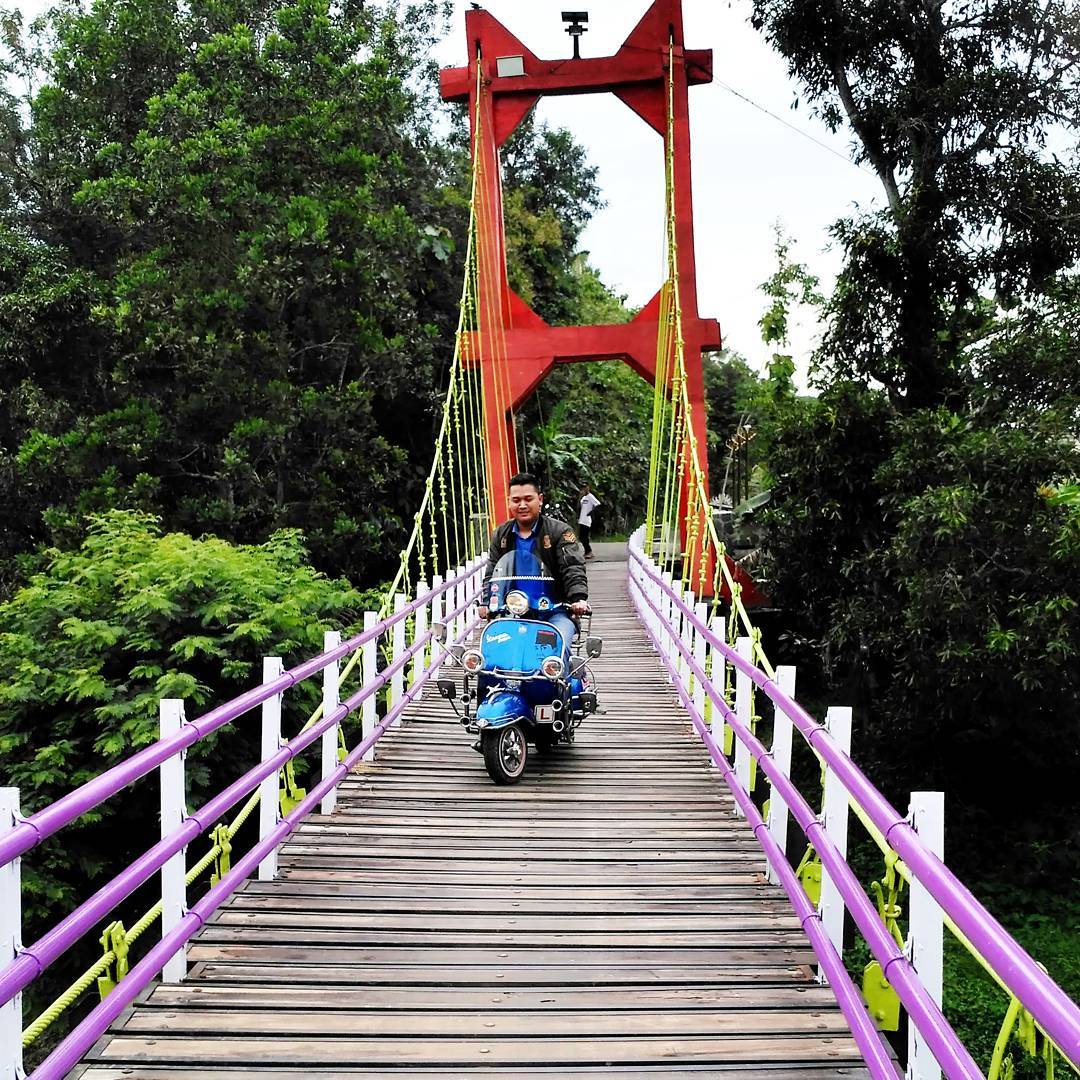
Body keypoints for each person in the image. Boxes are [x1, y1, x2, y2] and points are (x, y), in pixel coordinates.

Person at [479, 473, 590, 626]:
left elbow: (572, 567)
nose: (522, 505)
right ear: (509, 502)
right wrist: (486, 602)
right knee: (496, 644)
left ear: (540, 499)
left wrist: (578, 599)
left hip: (555, 610)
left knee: (558, 643)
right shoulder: (501, 534)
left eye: (528, 499)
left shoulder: (560, 532)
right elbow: (493, 571)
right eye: (516, 500)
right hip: (513, 611)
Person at [577, 483, 601, 560]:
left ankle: (589, 551)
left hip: (587, 520)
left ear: (588, 488)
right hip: (581, 519)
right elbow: (579, 507)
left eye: (585, 487)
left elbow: (598, 504)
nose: (584, 489)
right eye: (582, 488)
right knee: (581, 537)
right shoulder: (583, 498)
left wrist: (591, 513)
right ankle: (587, 551)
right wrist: (580, 497)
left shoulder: (590, 496)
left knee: (584, 537)